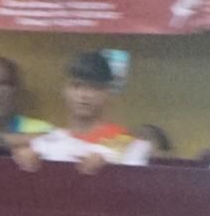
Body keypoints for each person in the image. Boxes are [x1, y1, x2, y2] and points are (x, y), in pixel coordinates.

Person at [13, 52, 150, 174]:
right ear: (65, 91)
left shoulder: (129, 146)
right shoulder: (44, 146)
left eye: (94, 87)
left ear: (107, 94)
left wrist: (108, 170)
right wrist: (22, 166)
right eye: (76, 86)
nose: (84, 95)